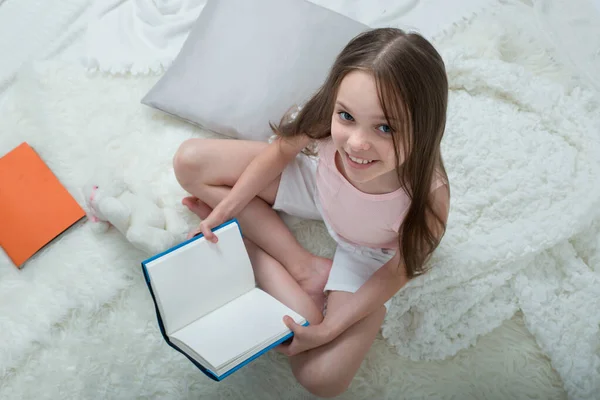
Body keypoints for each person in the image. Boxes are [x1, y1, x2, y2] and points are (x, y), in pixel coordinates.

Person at [172, 27, 450, 398]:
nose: (356, 144)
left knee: (321, 378)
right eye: (346, 117)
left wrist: (329, 329)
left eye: (384, 127)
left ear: (425, 128)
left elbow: (399, 270)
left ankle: (252, 253)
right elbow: (281, 153)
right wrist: (224, 211)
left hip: (367, 251)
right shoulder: (327, 117)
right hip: (319, 188)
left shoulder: (429, 198)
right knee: (189, 162)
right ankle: (301, 265)